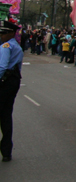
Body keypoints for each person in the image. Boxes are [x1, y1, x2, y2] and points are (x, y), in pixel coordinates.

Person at [0, 19, 23, 162]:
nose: (1, 36)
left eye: (3, 33)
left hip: (3, 83)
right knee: (6, 116)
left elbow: (2, 67)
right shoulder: (18, 47)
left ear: (10, 33)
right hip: (13, 82)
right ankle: (6, 151)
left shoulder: (6, 46)